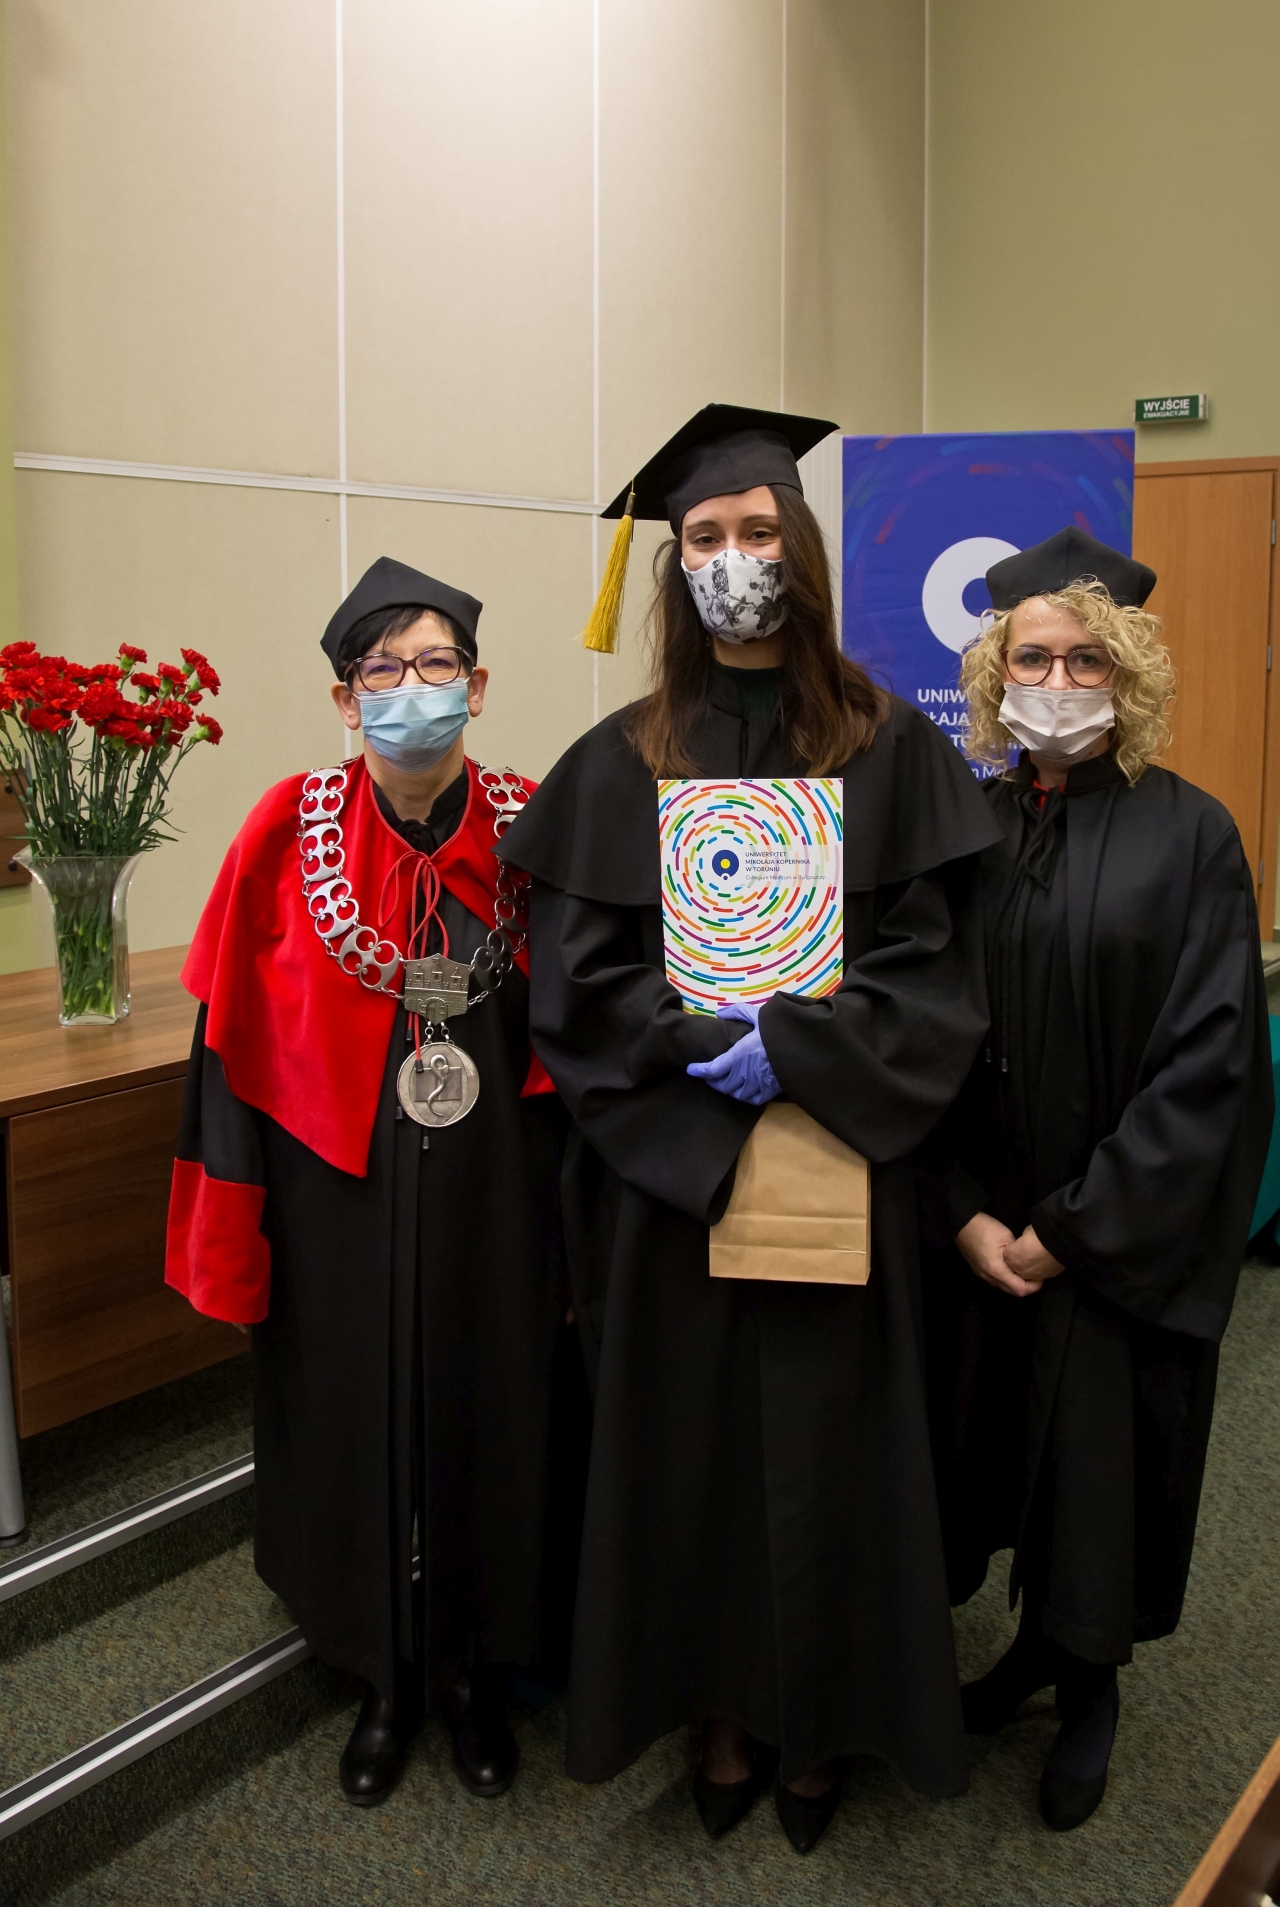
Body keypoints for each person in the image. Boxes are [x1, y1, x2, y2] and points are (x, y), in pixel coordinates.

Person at [498, 404, 1002, 1854]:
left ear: (803, 547)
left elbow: (933, 968)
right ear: (674, 563)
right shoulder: (619, 759)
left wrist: (796, 1048)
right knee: (691, 1457)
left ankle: (822, 1725)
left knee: (838, 1456)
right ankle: (717, 1714)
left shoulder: (888, 748)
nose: (734, 559)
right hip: (677, 1183)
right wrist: (691, 1049)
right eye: (707, 536)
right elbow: (576, 984)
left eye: (759, 531)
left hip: (841, 1157)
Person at [165, 557, 578, 1807]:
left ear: (477, 685)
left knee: (496, 1412)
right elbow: (228, 1046)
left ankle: (473, 1671)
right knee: (346, 1421)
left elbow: (590, 1023)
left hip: (496, 1195)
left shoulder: (536, 829)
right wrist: (233, 1227)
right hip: (333, 1199)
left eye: (436, 664)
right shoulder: (285, 832)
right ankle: (379, 1674)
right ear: (346, 700)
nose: (412, 688)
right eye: (382, 670)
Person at [922, 528, 1272, 1832]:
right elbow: (916, 1028)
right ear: (993, 672)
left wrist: (1070, 1230)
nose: (1057, 681)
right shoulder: (963, 830)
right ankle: (1024, 1652)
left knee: (1098, 1466)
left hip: (1111, 1230)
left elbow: (1208, 1064)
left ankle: (1089, 1686)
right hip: (981, 1221)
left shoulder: (1190, 837)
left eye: (1085, 661)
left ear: (1126, 677)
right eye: (1032, 658)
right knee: (993, 1443)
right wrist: (958, 1209)